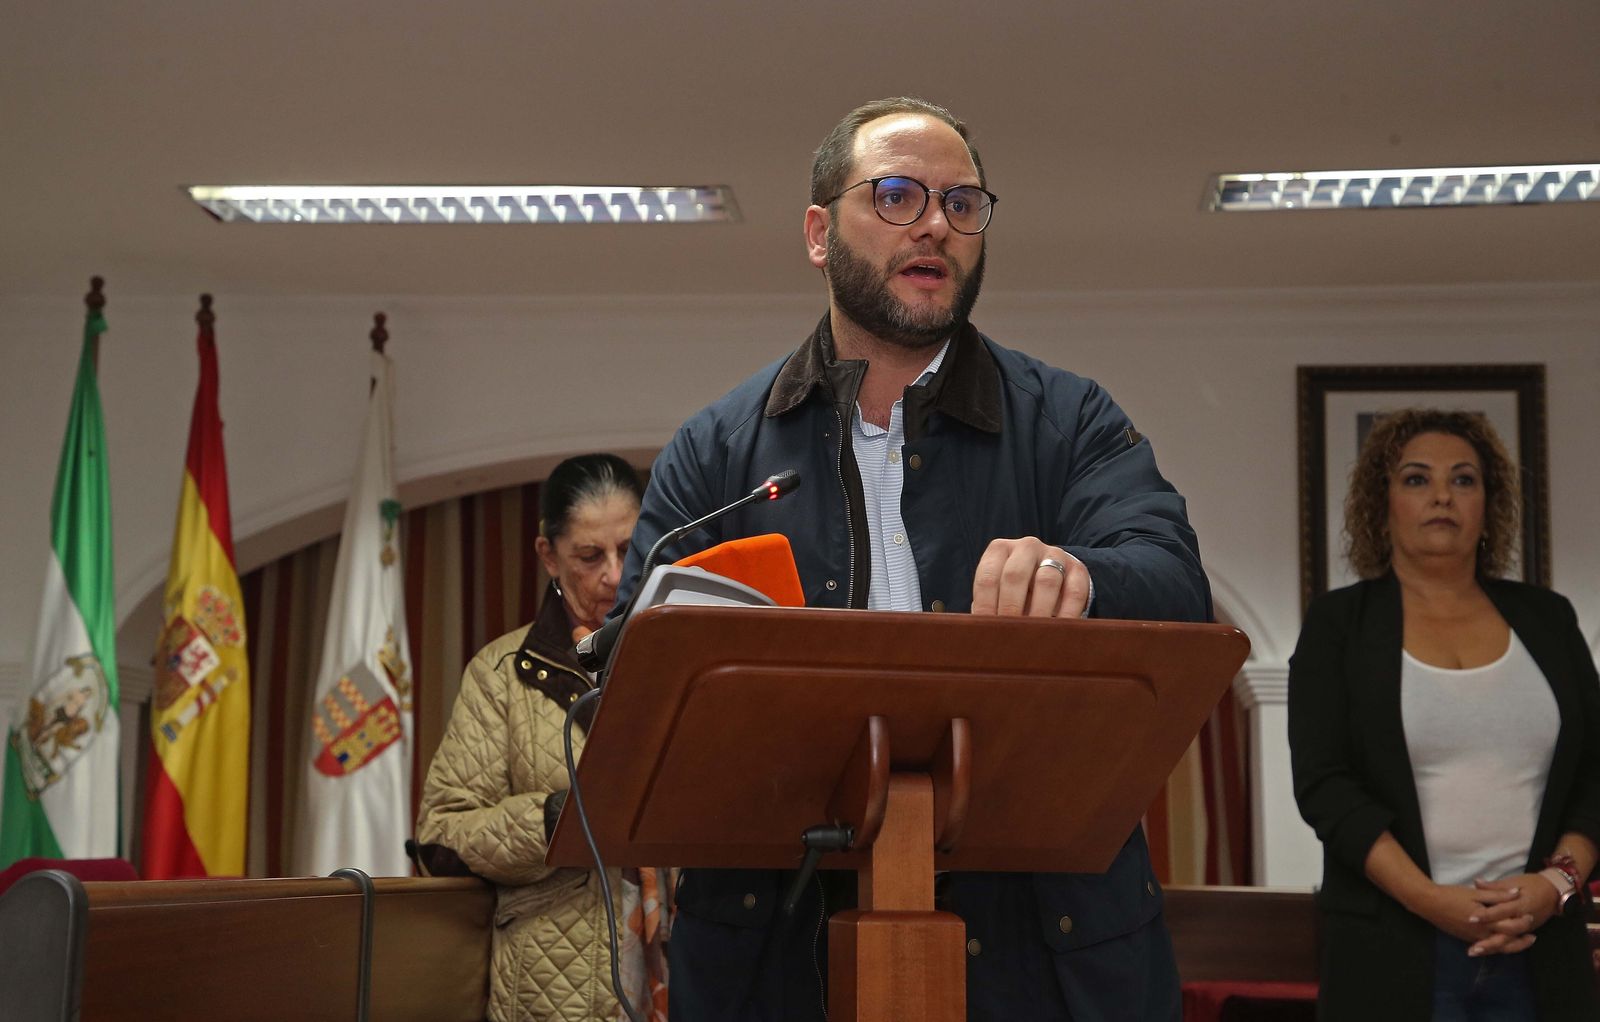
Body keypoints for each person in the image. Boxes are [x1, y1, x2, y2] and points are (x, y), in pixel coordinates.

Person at [614, 97, 1210, 1021]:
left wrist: (1078, 576)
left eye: (962, 205)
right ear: (819, 232)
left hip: (1040, 952)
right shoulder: (717, 450)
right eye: (896, 196)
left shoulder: (1071, 419)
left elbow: (1176, 586)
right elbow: (621, 677)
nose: (935, 223)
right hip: (776, 954)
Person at [1288, 409, 1600, 1020]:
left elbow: (1596, 769)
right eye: (1415, 479)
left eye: (1463, 479)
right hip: (1390, 950)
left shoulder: (1549, 619)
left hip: (1540, 946)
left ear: (1490, 505)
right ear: (1382, 504)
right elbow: (1325, 787)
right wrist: (1431, 900)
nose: (1440, 496)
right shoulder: (1338, 625)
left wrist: (1556, 885)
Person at [416, 454, 669, 1022]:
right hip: (550, 992)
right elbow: (441, 837)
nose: (613, 573)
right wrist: (556, 818)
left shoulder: (687, 659)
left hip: (689, 972)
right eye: (589, 556)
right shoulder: (501, 672)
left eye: (629, 550)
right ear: (549, 557)